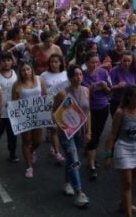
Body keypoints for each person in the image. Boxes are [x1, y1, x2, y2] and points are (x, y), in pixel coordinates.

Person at [104, 85, 136, 217]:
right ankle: (128, 213)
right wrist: (108, 155)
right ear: (129, 97)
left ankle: (124, 204)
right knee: (127, 181)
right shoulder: (121, 112)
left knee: (131, 180)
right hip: (123, 147)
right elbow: (112, 134)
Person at [52, 64, 91, 208]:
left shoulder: (86, 90)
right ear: (69, 77)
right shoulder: (63, 93)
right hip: (67, 132)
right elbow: (54, 112)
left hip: (81, 131)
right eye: (75, 75)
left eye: (80, 74)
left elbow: (88, 112)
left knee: (71, 159)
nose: (78, 77)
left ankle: (67, 183)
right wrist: (59, 126)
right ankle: (79, 193)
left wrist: (89, 131)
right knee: (74, 159)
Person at [12, 61, 48, 178]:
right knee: (26, 141)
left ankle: (32, 151)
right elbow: (14, 102)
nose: (26, 72)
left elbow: (45, 96)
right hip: (24, 116)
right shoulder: (16, 85)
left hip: (38, 115)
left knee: (38, 141)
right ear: (20, 72)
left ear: (32, 69)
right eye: (23, 70)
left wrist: (48, 110)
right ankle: (29, 166)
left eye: (28, 69)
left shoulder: (39, 80)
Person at [82, 53, 112, 180]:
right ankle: (92, 166)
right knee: (91, 135)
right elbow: (79, 94)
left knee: (97, 133)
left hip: (103, 107)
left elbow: (110, 90)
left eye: (97, 62)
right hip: (88, 109)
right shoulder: (82, 75)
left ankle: (90, 154)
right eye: (92, 62)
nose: (94, 65)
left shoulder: (104, 73)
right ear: (86, 63)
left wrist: (105, 87)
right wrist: (90, 88)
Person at [40, 53, 68, 165]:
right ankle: (56, 149)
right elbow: (41, 91)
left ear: (60, 63)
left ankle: (61, 145)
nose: (54, 64)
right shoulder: (44, 75)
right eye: (51, 62)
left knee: (63, 127)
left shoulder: (65, 74)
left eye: (56, 62)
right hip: (50, 105)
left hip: (64, 105)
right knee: (53, 128)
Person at [0, 51, 19, 163]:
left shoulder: (17, 73)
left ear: (12, 61)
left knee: (12, 135)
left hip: (13, 111)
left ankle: (12, 154)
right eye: (3, 61)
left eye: (8, 60)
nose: (6, 63)